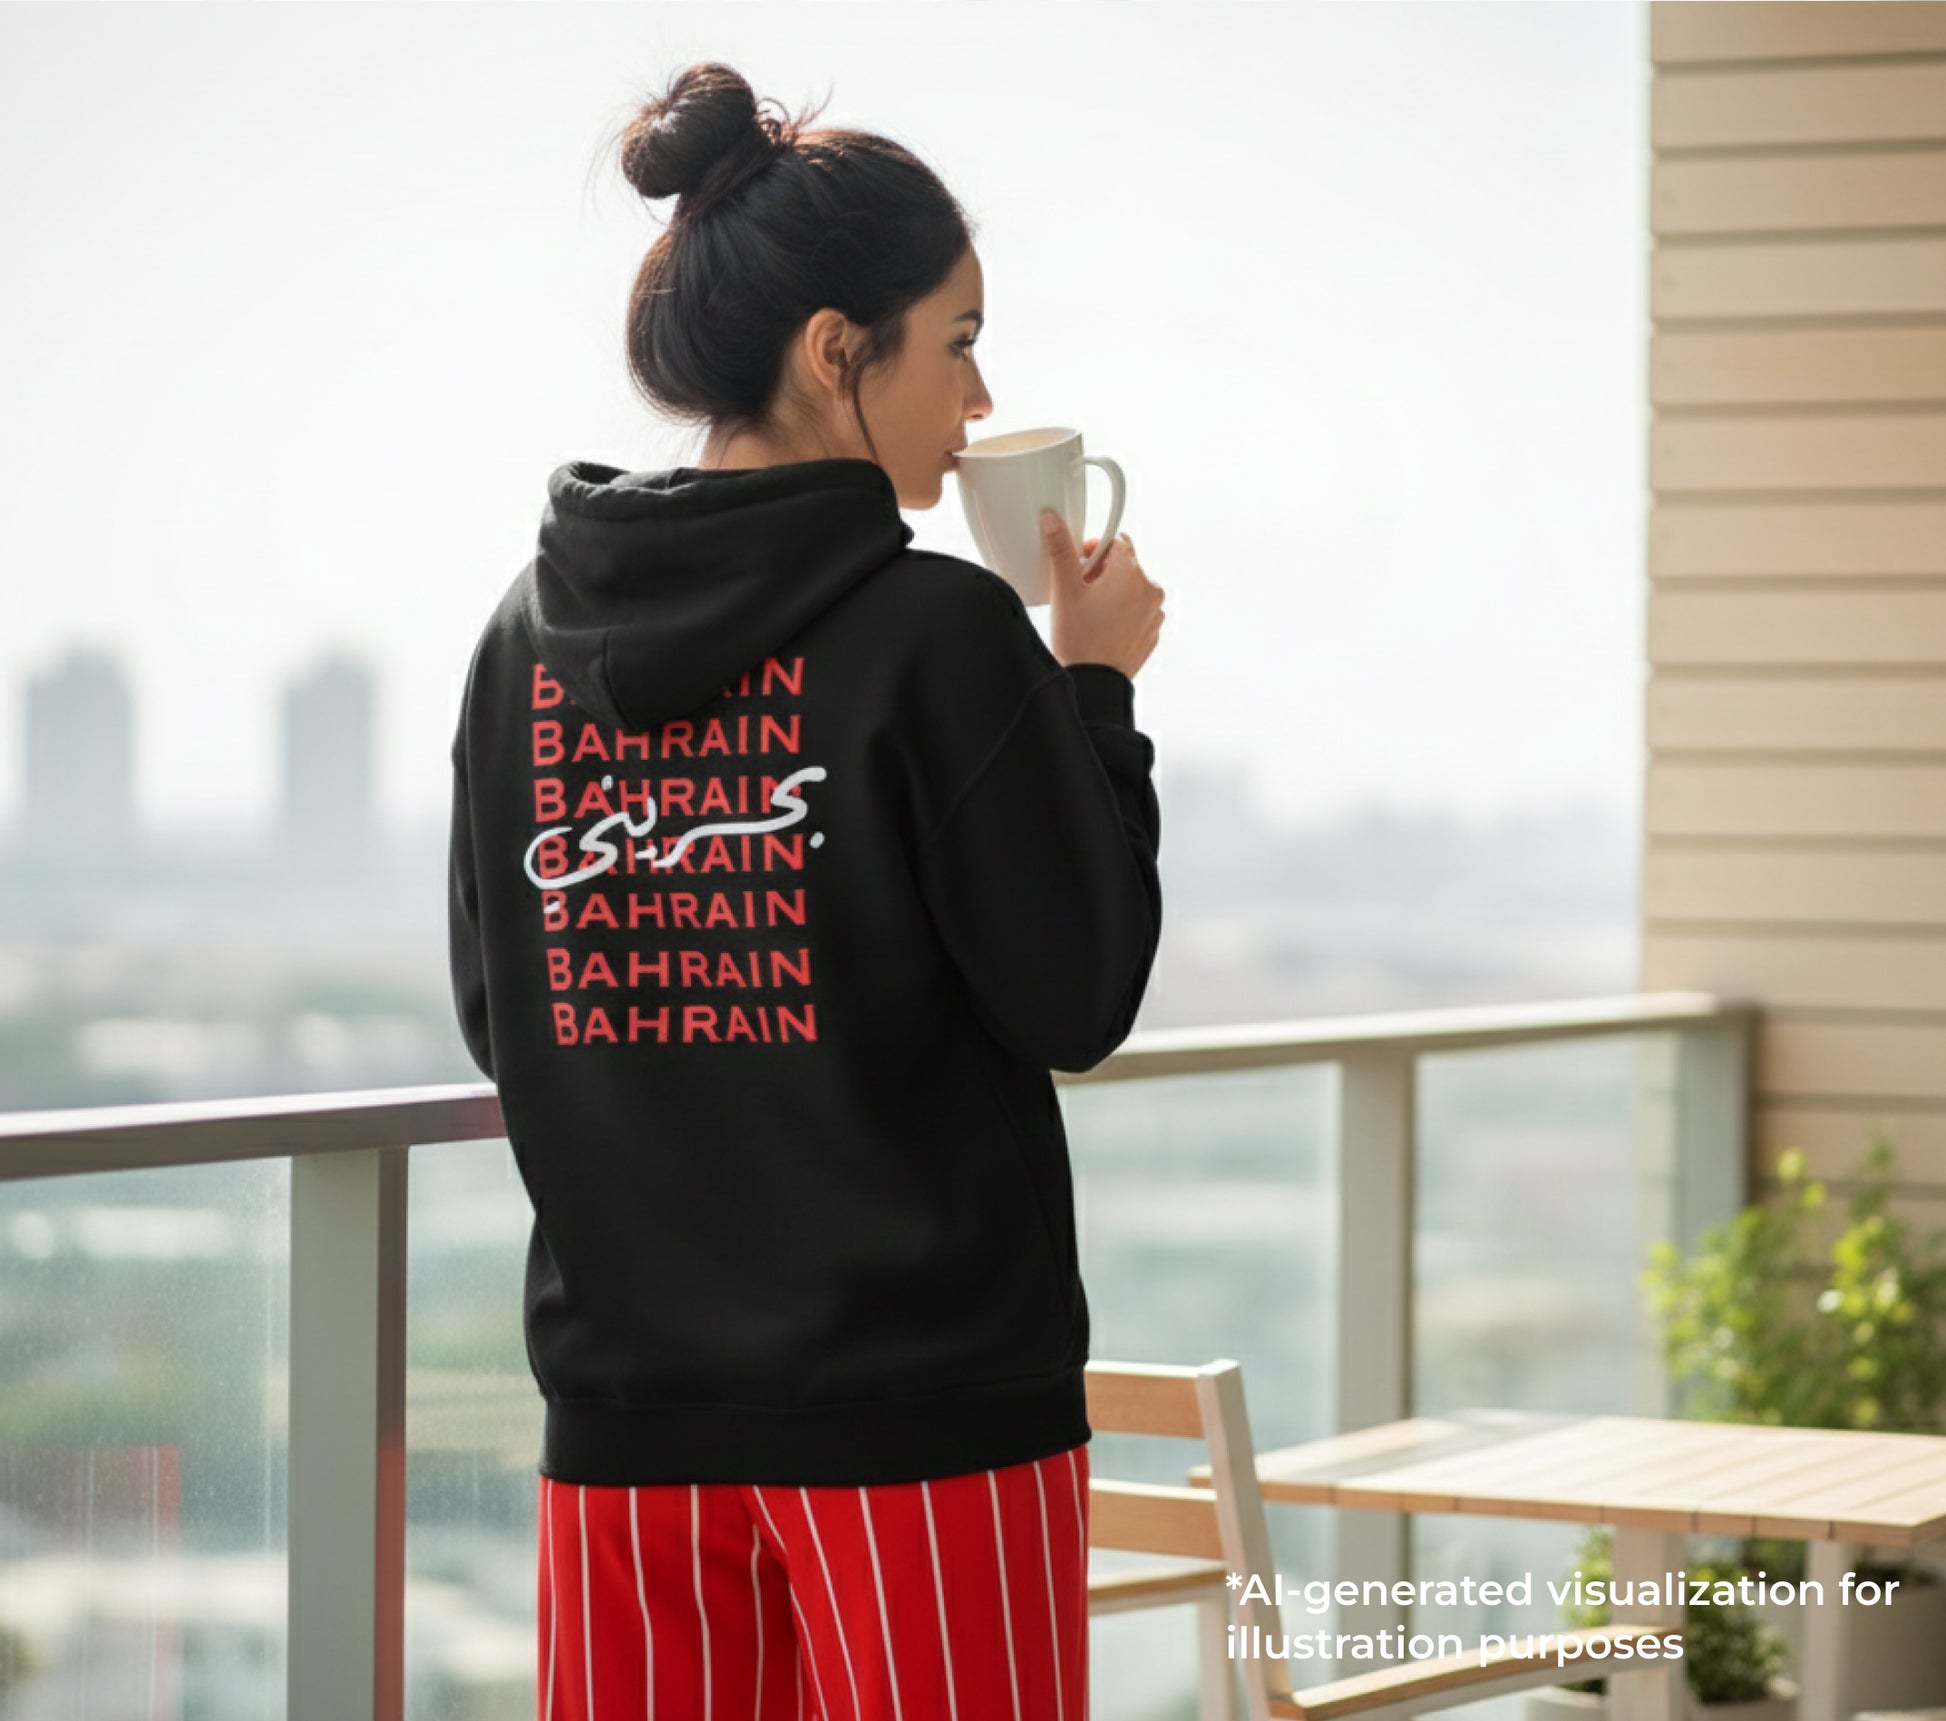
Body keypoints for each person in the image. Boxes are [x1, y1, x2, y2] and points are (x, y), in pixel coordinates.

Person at [446, 59, 1166, 1721]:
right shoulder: (936, 633)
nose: (977, 404)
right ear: (837, 350)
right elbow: (1077, 993)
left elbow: (507, 1016)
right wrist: (1093, 693)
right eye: (958, 340)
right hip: (923, 1424)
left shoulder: (521, 643)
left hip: (629, 1428)